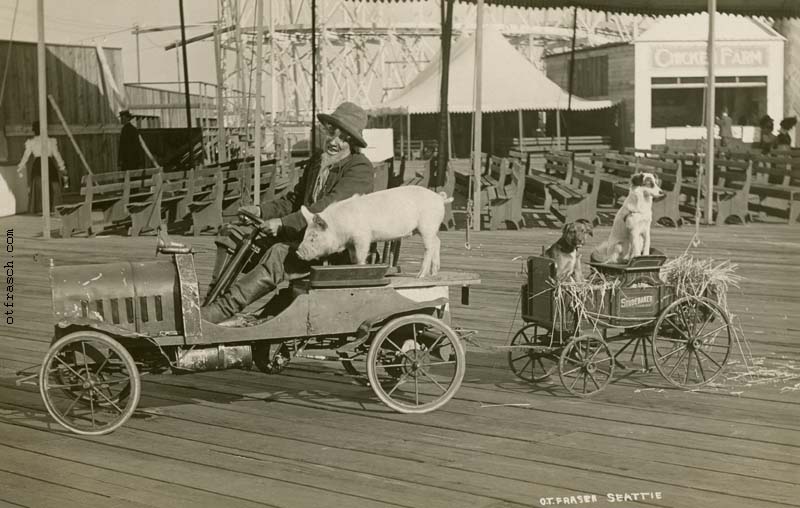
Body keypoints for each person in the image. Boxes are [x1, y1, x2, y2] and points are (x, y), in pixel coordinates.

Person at [201, 101, 375, 324]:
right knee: (233, 235)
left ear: (352, 143)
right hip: (304, 236)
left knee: (279, 253)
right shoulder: (318, 162)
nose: (334, 141)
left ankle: (219, 312)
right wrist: (260, 210)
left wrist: (282, 224)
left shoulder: (359, 168)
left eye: (343, 138)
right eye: (332, 133)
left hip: (334, 249)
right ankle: (210, 301)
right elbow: (293, 200)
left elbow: (328, 209)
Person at [16, 121, 68, 214]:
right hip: (49, 165)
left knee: (40, 185)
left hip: (38, 166)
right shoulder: (50, 141)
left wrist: (20, 167)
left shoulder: (32, 142)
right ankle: (54, 207)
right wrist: (62, 167)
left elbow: (26, 156)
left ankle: (39, 208)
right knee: (51, 185)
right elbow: (57, 155)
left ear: (34, 131)